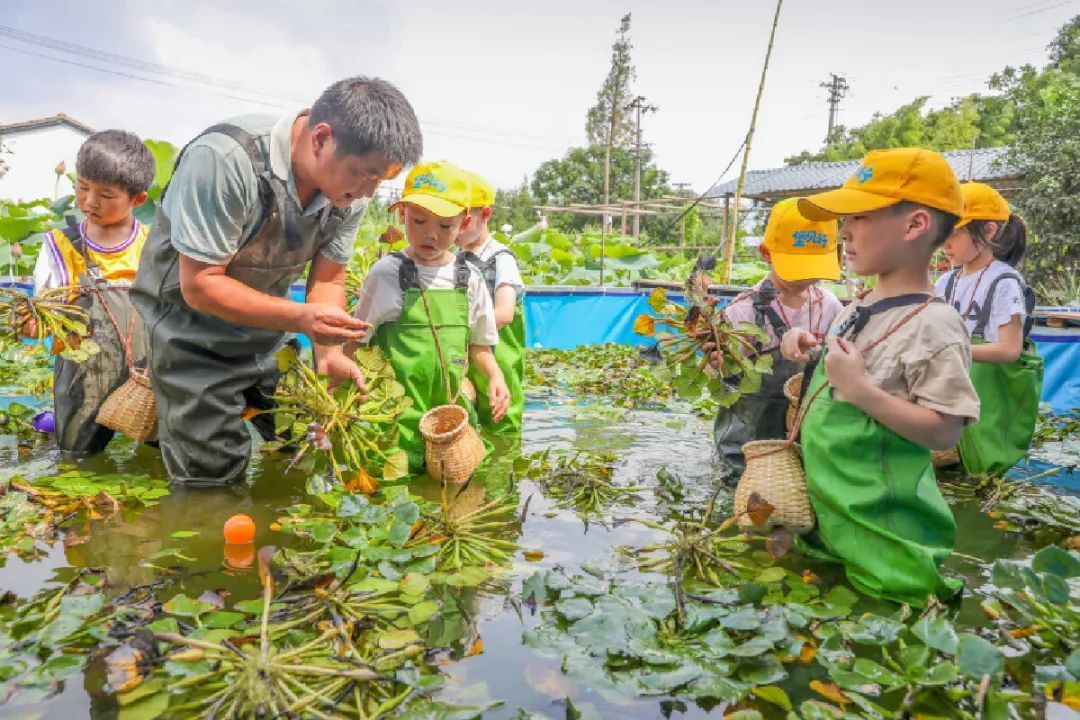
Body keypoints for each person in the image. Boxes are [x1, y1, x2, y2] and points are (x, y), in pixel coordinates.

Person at [131, 77, 422, 486]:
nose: (369, 191)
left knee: (306, 446)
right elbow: (200, 284)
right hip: (188, 332)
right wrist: (303, 319)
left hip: (268, 331)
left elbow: (329, 277)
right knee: (210, 480)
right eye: (365, 175)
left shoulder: (349, 194)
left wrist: (329, 350)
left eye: (380, 179)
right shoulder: (225, 160)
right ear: (321, 138)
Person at [781, 147, 981, 607]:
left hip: (885, 531)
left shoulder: (936, 325)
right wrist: (808, 345)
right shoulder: (858, 305)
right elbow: (855, 359)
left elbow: (945, 429)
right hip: (833, 511)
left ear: (915, 225)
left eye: (860, 217)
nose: (844, 231)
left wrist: (860, 390)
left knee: (892, 621)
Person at [349, 161, 510, 473]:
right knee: (391, 489)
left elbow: (479, 346)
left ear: (463, 224)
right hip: (393, 415)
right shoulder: (386, 275)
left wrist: (495, 377)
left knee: (458, 487)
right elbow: (356, 343)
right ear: (402, 215)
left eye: (445, 226)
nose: (430, 235)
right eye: (419, 221)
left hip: (448, 415)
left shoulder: (469, 278)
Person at [29, 130, 155, 454]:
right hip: (82, 381)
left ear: (137, 199)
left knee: (164, 455)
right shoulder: (59, 245)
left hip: (147, 379)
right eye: (82, 187)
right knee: (77, 457)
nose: (89, 201)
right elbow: (44, 305)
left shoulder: (153, 245)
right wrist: (36, 321)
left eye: (106, 194)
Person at [711, 198, 843, 476]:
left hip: (806, 437)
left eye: (813, 267)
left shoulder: (830, 306)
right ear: (766, 252)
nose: (806, 277)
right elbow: (721, 380)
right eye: (797, 266)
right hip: (748, 444)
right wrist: (716, 364)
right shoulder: (742, 311)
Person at [935, 182, 1042, 476]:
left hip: (985, 397)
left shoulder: (1003, 282)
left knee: (979, 470)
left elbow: (1009, 350)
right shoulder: (946, 282)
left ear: (989, 231)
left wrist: (953, 350)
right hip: (948, 396)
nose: (945, 243)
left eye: (953, 234)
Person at [456, 170, 527, 433]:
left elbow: (506, 313)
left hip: (498, 353)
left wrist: (464, 334)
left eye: (463, 221)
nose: (454, 228)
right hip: (467, 353)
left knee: (500, 419)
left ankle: (502, 467)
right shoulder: (455, 256)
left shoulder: (501, 259)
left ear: (485, 215)